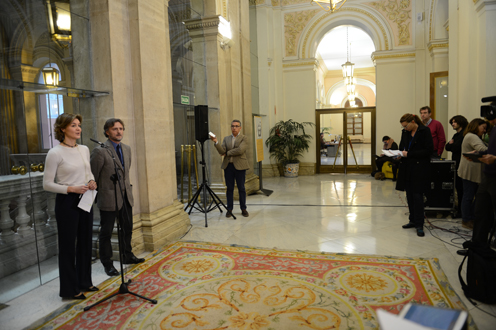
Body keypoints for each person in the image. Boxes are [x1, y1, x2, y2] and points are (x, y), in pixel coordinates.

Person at [43, 113, 98, 299]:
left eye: (79, 125)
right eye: (73, 125)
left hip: (86, 198)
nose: (78, 128)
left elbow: (88, 172)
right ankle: (69, 289)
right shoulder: (55, 153)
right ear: (62, 129)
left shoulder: (84, 149)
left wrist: (92, 182)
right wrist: (70, 189)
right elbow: (47, 184)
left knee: (85, 242)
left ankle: (85, 282)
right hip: (67, 201)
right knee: (68, 246)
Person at [90, 118, 144, 277]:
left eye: (121, 128)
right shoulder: (100, 151)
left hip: (126, 195)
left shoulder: (127, 149)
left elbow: (125, 173)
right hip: (108, 198)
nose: (119, 131)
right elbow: (93, 176)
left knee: (127, 228)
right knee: (106, 232)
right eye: (115, 129)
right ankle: (107, 264)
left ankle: (127, 255)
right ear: (107, 131)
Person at [458, 104, 496, 256]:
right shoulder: (493, 130)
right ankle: (477, 247)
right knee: (480, 212)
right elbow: (490, 151)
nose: (489, 124)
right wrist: (479, 153)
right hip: (488, 176)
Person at [396, 113, 434, 237]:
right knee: (409, 196)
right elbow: (403, 147)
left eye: (406, 126)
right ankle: (412, 220)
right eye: (404, 127)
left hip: (419, 168)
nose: (405, 129)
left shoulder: (424, 131)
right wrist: (399, 154)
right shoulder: (405, 132)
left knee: (418, 197)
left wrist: (409, 154)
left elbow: (428, 151)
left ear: (413, 121)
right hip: (407, 168)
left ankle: (419, 224)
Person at [210, 119, 250, 218]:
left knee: (241, 188)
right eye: (232, 126)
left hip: (240, 166)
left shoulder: (244, 138)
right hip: (228, 167)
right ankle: (229, 209)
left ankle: (243, 208)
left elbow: (240, 150)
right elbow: (221, 151)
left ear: (240, 128)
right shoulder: (226, 138)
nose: (234, 128)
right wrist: (216, 142)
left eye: (236, 126)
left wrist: (227, 153)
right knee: (229, 188)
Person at [457, 119, 487, 229]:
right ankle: (466, 220)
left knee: (474, 196)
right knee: (469, 196)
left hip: (471, 171)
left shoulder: (471, 136)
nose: (484, 130)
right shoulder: (472, 136)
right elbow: (483, 149)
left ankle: (470, 217)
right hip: (469, 171)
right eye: (483, 127)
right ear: (476, 126)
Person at [445, 115, 468, 217]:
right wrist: (451, 145)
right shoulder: (456, 135)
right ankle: (459, 209)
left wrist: (451, 145)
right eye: (452, 122)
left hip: (462, 164)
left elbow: (457, 147)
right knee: (457, 188)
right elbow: (447, 147)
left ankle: (462, 212)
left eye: (455, 122)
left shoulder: (464, 135)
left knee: (461, 189)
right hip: (456, 164)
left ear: (460, 122)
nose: (453, 124)